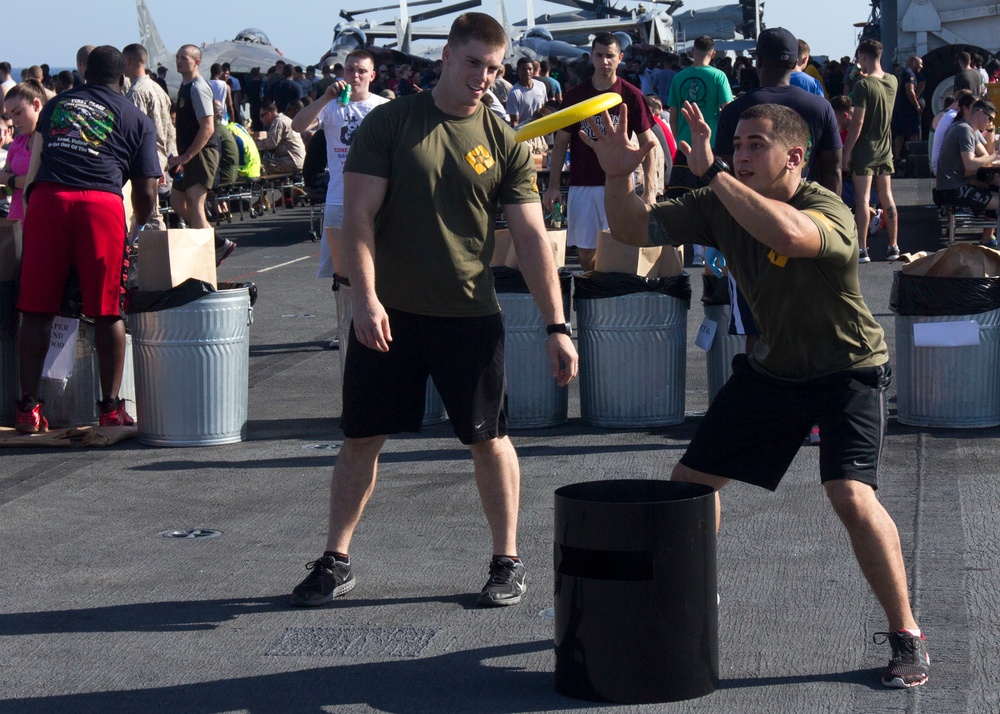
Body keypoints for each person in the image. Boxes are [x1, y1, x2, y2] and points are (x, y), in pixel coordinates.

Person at [584, 97, 931, 691]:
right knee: (688, 489)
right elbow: (630, 229)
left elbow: (791, 235)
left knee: (850, 494)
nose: (740, 155)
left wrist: (715, 173)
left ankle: (906, 632)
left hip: (847, 370)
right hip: (771, 372)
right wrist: (619, 176)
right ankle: (688, 595)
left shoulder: (827, 207)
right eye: (736, 145)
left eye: (755, 146)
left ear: (794, 156)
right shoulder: (718, 201)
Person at [288, 12, 578, 609]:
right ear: (446, 57)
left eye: (494, 70)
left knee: (488, 439)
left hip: (468, 315)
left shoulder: (504, 139)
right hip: (388, 312)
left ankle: (507, 561)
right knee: (362, 439)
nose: (483, 78)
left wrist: (557, 325)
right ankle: (335, 559)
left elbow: (529, 238)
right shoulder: (392, 121)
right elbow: (359, 217)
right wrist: (364, 298)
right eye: (473, 63)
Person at [13, 45, 160, 432]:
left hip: (49, 198)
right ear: (123, 77)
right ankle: (110, 408)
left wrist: (31, 210)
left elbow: (36, 165)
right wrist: (135, 227)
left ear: (83, 74)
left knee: (36, 309)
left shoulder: (57, 105)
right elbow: (147, 193)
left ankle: (28, 408)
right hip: (101, 204)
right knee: (108, 309)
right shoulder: (137, 118)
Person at [543, 33, 658, 271]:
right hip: (583, 183)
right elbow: (560, 143)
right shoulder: (575, 96)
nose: (604, 61)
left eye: (610, 56)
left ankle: (613, 303)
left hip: (620, 185)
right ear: (591, 57)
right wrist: (553, 185)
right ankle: (592, 296)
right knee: (586, 255)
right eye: (599, 55)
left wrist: (650, 190)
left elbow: (649, 146)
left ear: (620, 58)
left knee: (620, 249)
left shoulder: (632, 95)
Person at [290, 49, 388, 281]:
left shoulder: (383, 107)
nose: (355, 76)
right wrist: (325, 98)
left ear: (371, 76)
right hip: (338, 198)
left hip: (375, 200)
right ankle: (346, 317)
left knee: (376, 269)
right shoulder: (331, 106)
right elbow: (297, 126)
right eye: (350, 70)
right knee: (341, 274)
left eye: (362, 71)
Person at [168, 44, 234, 264]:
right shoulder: (184, 87)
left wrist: (186, 156)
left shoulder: (198, 87)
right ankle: (215, 241)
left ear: (197, 62)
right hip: (189, 153)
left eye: (184, 58)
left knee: (196, 205)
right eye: (177, 57)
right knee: (177, 200)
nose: (179, 61)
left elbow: (207, 127)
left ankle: (207, 255)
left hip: (203, 153)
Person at [843, 39, 899, 263]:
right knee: (887, 198)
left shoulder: (862, 87)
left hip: (865, 150)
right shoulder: (893, 81)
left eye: (859, 59)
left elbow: (857, 123)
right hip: (885, 149)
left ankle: (863, 249)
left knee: (862, 200)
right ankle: (893, 245)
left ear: (864, 57)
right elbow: (878, 85)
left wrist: (847, 152)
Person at [667, 35, 733, 188]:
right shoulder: (718, 76)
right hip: (711, 146)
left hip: (684, 146)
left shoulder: (678, 78)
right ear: (713, 54)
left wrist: (679, 141)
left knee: (683, 199)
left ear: (692, 51)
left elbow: (673, 118)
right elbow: (727, 111)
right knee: (712, 197)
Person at [123, 42, 177, 230]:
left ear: (127, 61)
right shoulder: (158, 89)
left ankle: (159, 258)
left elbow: (136, 131)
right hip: (161, 155)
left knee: (150, 215)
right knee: (150, 213)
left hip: (147, 158)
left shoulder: (137, 92)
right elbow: (169, 127)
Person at [934, 99, 1000, 247]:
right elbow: (970, 163)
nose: (990, 122)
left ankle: (987, 240)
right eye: (989, 118)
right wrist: (996, 156)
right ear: (980, 113)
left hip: (955, 184)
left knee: (995, 188)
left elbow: (985, 156)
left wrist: (990, 133)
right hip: (953, 189)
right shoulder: (964, 130)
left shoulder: (966, 127)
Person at [1, 81, 46, 223]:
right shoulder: (18, 143)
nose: (14, 121)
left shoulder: (51, 142)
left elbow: (39, 183)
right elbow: (6, 183)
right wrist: (8, 188)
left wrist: (10, 180)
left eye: (18, 113)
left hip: (40, 220)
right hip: (15, 220)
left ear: (36, 105)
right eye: (10, 115)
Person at [256, 100, 305, 174]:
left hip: (291, 161)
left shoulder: (278, 122)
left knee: (260, 164)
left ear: (268, 114)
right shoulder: (284, 119)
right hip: (298, 160)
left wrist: (255, 144)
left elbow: (271, 143)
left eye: (262, 116)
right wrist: (264, 140)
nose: (260, 119)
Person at [892, 55, 925, 165]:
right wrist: (917, 106)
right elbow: (910, 91)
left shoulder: (902, 72)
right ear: (913, 62)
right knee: (913, 133)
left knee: (899, 134)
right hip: (907, 109)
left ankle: (897, 159)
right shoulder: (909, 73)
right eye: (920, 64)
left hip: (898, 108)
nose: (921, 67)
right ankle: (913, 159)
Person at [505, 57, 547, 128]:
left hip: (540, 130)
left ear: (533, 70)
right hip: (525, 133)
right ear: (518, 70)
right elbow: (514, 122)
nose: (527, 72)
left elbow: (543, 108)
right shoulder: (514, 93)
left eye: (530, 69)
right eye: (524, 69)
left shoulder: (541, 86)